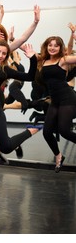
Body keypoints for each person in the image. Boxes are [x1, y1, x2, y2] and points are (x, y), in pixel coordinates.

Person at [38, 33, 76, 173]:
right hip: (55, 101)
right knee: (47, 132)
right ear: (46, 46)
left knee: (65, 131)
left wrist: (74, 38)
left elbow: (71, 50)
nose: (52, 48)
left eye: (56, 45)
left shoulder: (63, 60)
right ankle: (59, 156)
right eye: (50, 45)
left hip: (67, 99)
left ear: (60, 48)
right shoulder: (44, 61)